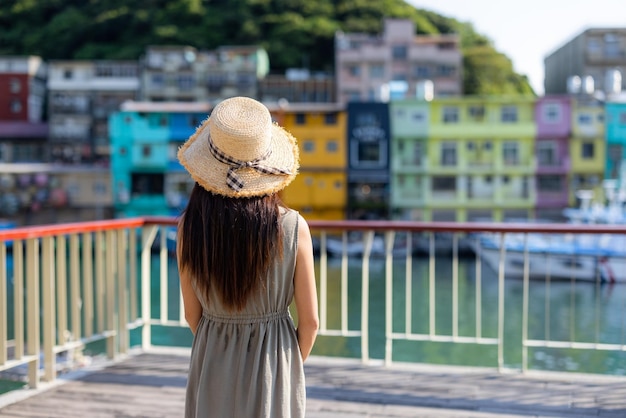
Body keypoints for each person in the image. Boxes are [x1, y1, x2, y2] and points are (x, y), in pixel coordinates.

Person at [176, 96, 319, 418]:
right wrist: (287, 365)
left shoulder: (189, 226)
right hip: (274, 359)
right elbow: (310, 323)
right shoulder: (293, 225)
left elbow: (191, 313)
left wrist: (221, 343)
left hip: (213, 354)